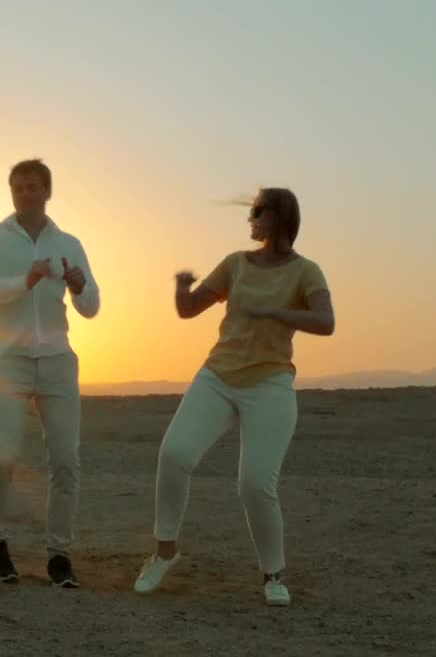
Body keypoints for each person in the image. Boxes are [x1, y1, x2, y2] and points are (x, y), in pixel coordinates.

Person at [134, 187, 335, 607]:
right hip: (217, 377)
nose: (251, 218)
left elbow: (325, 322)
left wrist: (278, 313)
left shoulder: (306, 271)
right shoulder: (235, 264)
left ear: (280, 217)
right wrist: (180, 287)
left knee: (255, 485)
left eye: (259, 210)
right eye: (251, 211)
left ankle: (273, 575)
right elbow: (189, 310)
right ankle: (163, 553)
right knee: (174, 454)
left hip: (270, 385)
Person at [0, 158, 100, 588]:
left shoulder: (69, 242)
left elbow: (92, 306)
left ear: (47, 192)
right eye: (18, 187)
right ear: (11, 192)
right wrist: (24, 280)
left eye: (32, 187)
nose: (25, 194)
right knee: (0, 457)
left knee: (66, 462)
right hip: (8, 362)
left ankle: (60, 555)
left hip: (58, 362)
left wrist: (79, 286)